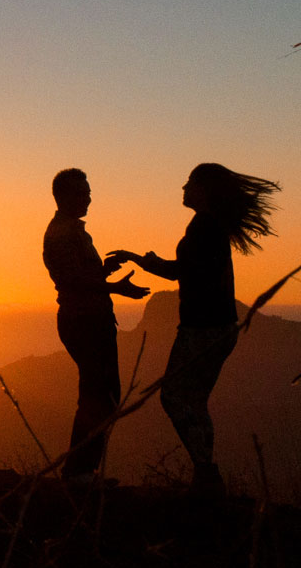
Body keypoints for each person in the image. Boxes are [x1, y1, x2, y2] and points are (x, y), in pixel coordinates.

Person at [107, 163, 279, 496]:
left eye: (189, 184)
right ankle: (206, 475)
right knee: (194, 400)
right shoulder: (209, 226)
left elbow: (181, 272)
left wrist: (144, 261)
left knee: (173, 397)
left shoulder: (204, 227)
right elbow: (186, 270)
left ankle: (205, 471)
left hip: (203, 327)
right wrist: (143, 259)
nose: (183, 189)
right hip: (220, 326)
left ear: (203, 190)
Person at [43, 168, 148, 484]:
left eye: (88, 191)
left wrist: (104, 271)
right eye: (82, 192)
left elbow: (82, 277)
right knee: (97, 393)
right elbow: (71, 280)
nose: (89, 197)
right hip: (83, 321)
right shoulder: (61, 233)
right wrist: (116, 288)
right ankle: (78, 472)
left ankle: (83, 469)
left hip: (93, 319)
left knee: (104, 392)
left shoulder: (75, 231)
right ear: (64, 196)